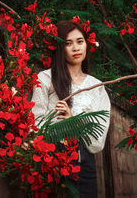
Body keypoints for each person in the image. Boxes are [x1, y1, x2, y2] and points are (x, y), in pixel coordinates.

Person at [31, 20, 111, 198]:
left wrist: (73, 121)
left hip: (84, 165)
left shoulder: (97, 86)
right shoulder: (45, 79)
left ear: (86, 44)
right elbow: (34, 124)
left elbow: (98, 140)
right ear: (60, 48)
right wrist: (62, 127)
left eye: (80, 41)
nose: (76, 48)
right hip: (51, 163)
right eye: (68, 43)